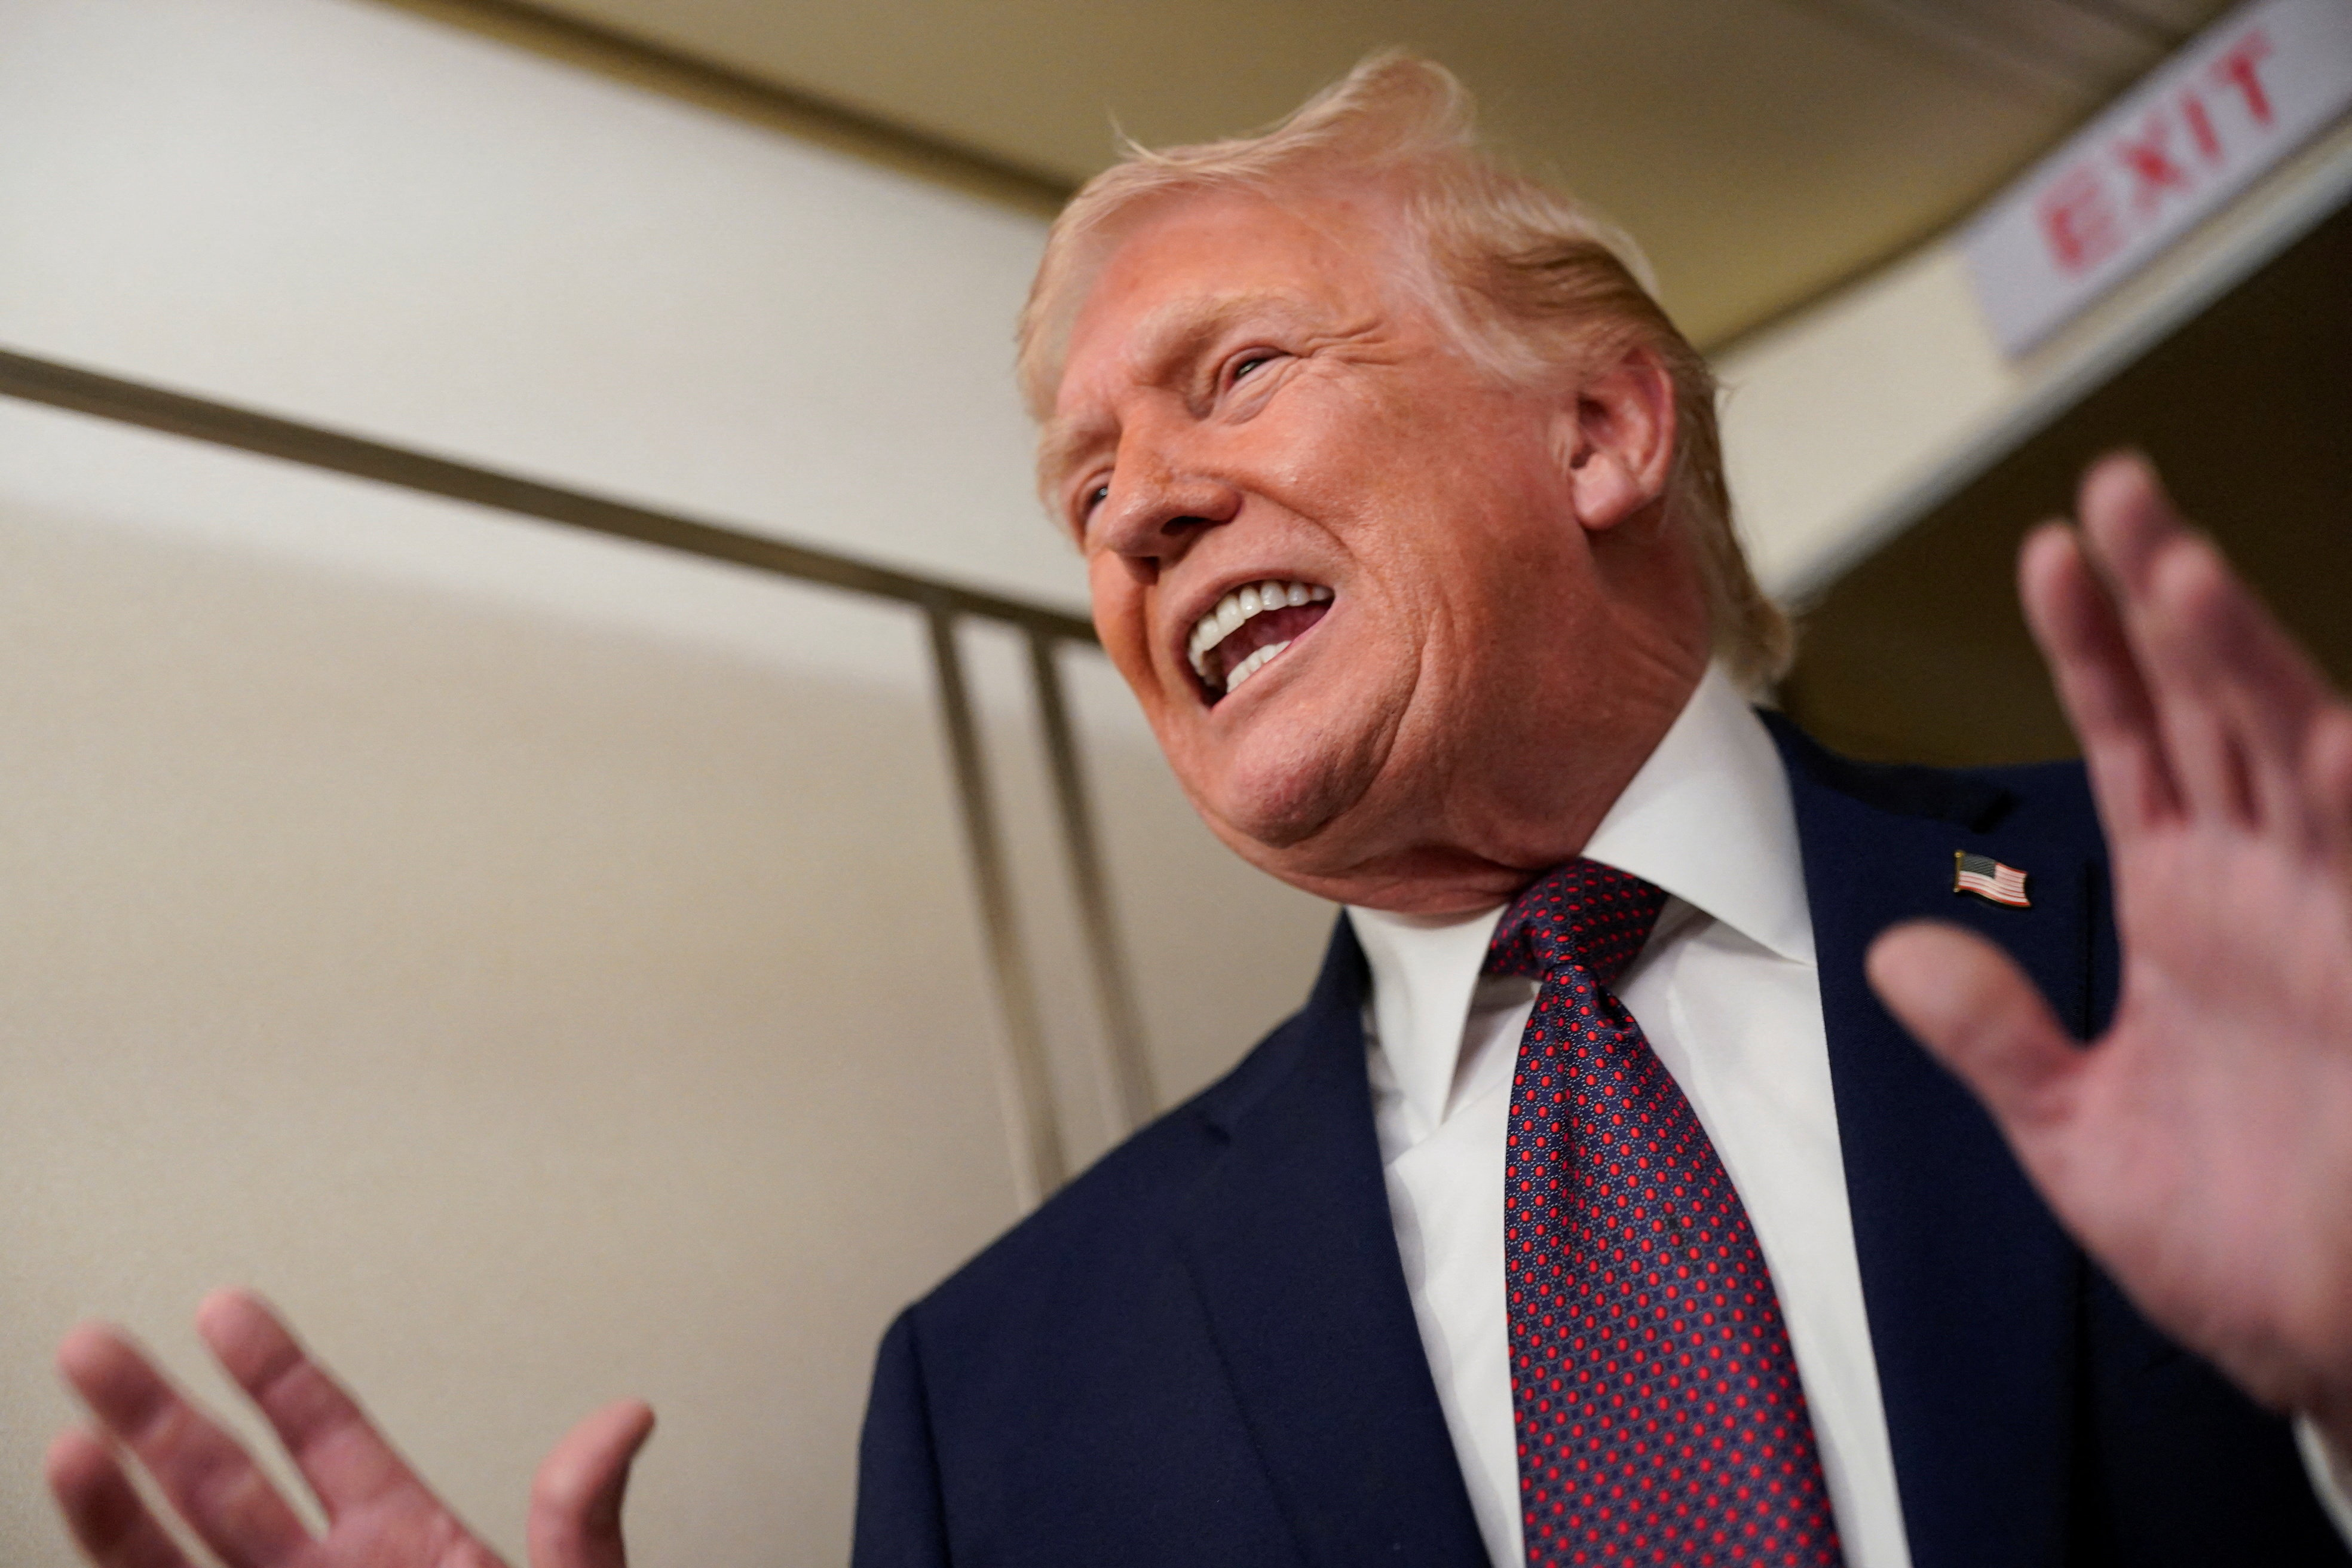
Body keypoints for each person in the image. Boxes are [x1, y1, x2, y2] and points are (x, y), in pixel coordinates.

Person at [42, 53, 2352, 1568]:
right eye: (1084, 490)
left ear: (1600, 433)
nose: (1137, 510)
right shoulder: (998, 1397)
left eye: (1234, 374)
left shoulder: (2210, 917)